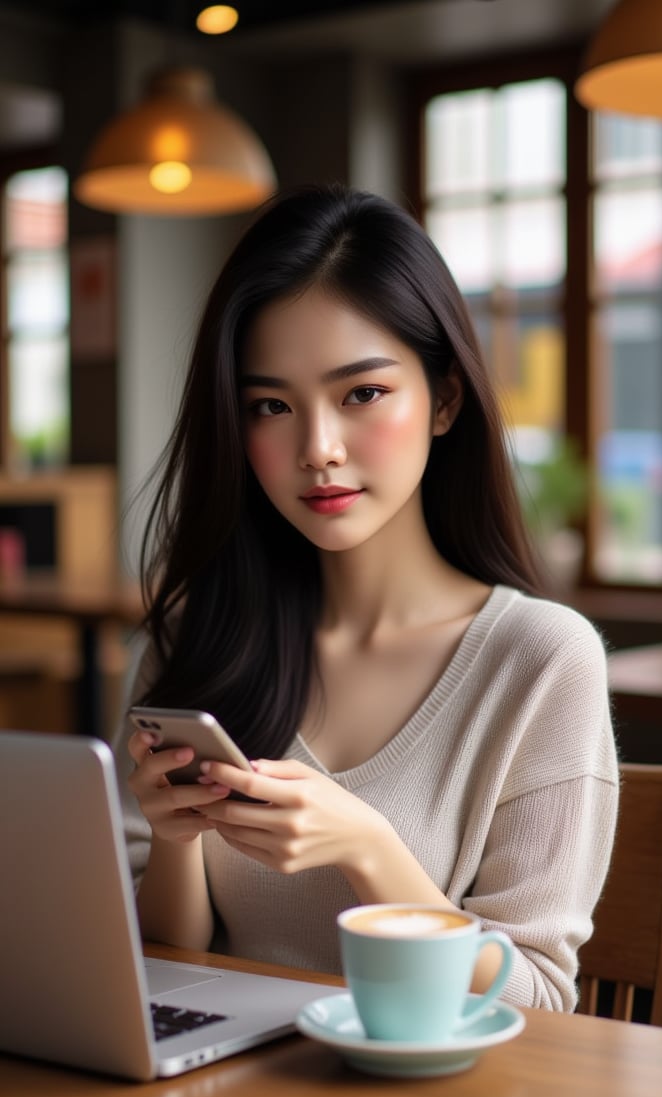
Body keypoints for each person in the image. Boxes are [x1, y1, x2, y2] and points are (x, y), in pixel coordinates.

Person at [116, 183, 618, 1012]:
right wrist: (175, 843)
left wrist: (368, 847)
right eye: (271, 406)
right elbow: (161, 966)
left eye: (362, 394)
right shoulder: (197, 637)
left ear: (446, 399)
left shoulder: (541, 659)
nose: (317, 449)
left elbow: (538, 1001)